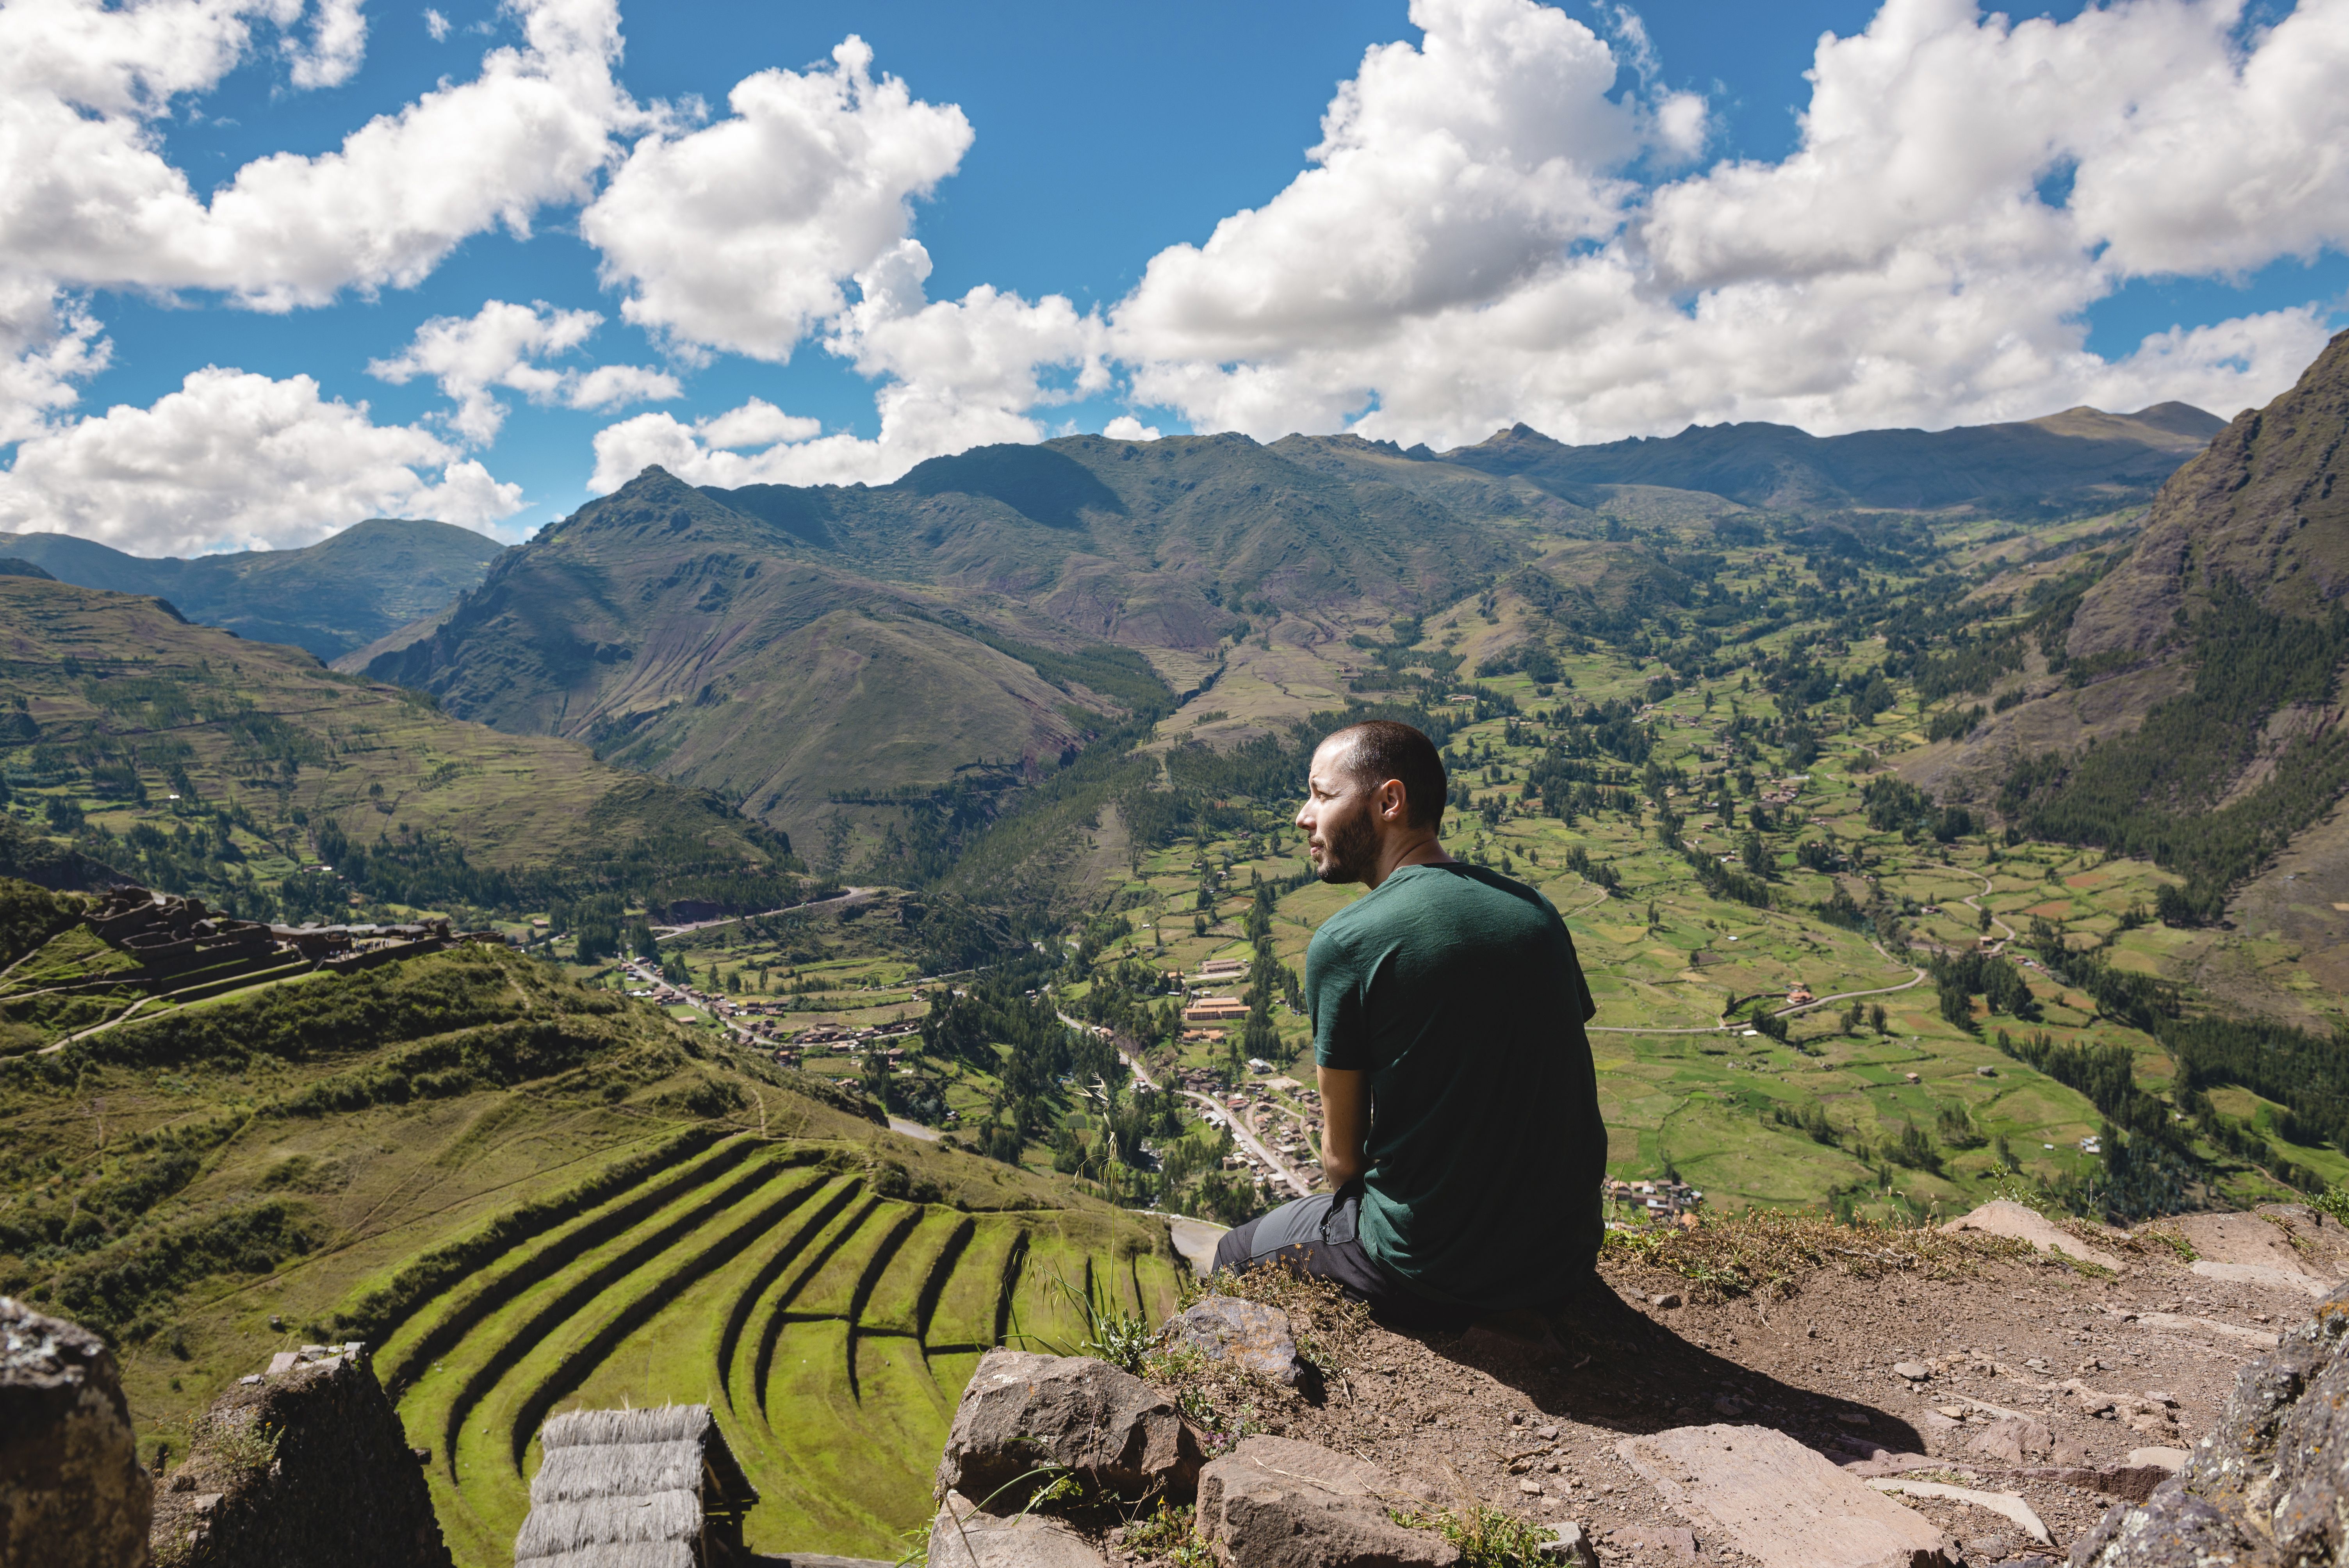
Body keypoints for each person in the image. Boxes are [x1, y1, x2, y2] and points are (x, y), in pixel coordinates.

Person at [1210, 719, 1606, 1328]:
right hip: (1565, 1257)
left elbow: (1343, 1163)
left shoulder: (1349, 942)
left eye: (1322, 794)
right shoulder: (1535, 911)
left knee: (1234, 1252)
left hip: (1439, 1269)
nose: (1303, 817)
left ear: (1388, 801)